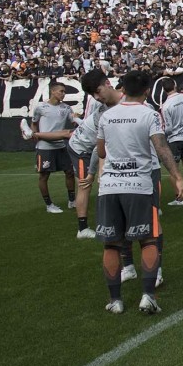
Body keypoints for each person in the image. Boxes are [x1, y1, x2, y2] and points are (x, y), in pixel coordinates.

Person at [96, 70, 183, 314]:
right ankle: (147, 296)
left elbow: (102, 151)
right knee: (148, 240)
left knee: (111, 245)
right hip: (139, 185)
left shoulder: (107, 116)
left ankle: (115, 300)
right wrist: (178, 178)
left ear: (122, 89)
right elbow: (161, 147)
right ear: (147, 91)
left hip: (109, 186)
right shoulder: (150, 114)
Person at [66, 69, 123, 239]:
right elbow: (99, 149)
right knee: (85, 184)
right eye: (93, 94)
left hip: (93, 146)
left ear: (108, 84)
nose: (97, 97)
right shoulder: (103, 113)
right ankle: (82, 229)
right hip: (81, 147)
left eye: (97, 92)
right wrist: (91, 173)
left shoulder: (123, 101)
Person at [29, 80, 77, 213]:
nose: (63, 94)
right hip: (45, 147)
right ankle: (49, 205)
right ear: (53, 91)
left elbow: (73, 122)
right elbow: (34, 123)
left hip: (61, 146)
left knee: (69, 172)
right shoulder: (41, 107)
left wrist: (77, 120)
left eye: (64, 92)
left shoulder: (66, 108)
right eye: (61, 91)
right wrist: (34, 134)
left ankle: (72, 201)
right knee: (44, 176)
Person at [159, 78, 183, 208]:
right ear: (175, 86)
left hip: (175, 139)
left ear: (164, 90)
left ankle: (179, 196)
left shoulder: (166, 105)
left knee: (173, 170)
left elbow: (168, 127)